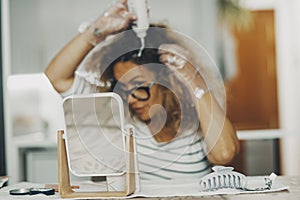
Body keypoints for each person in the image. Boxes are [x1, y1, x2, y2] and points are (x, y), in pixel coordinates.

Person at [45, 0, 240, 181]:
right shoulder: (118, 113)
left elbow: (224, 154)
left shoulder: (196, 117)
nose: (130, 99)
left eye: (138, 85)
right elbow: (57, 77)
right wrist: (95, 31)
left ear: (167, 80)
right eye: (123, 87)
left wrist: (194, 79)